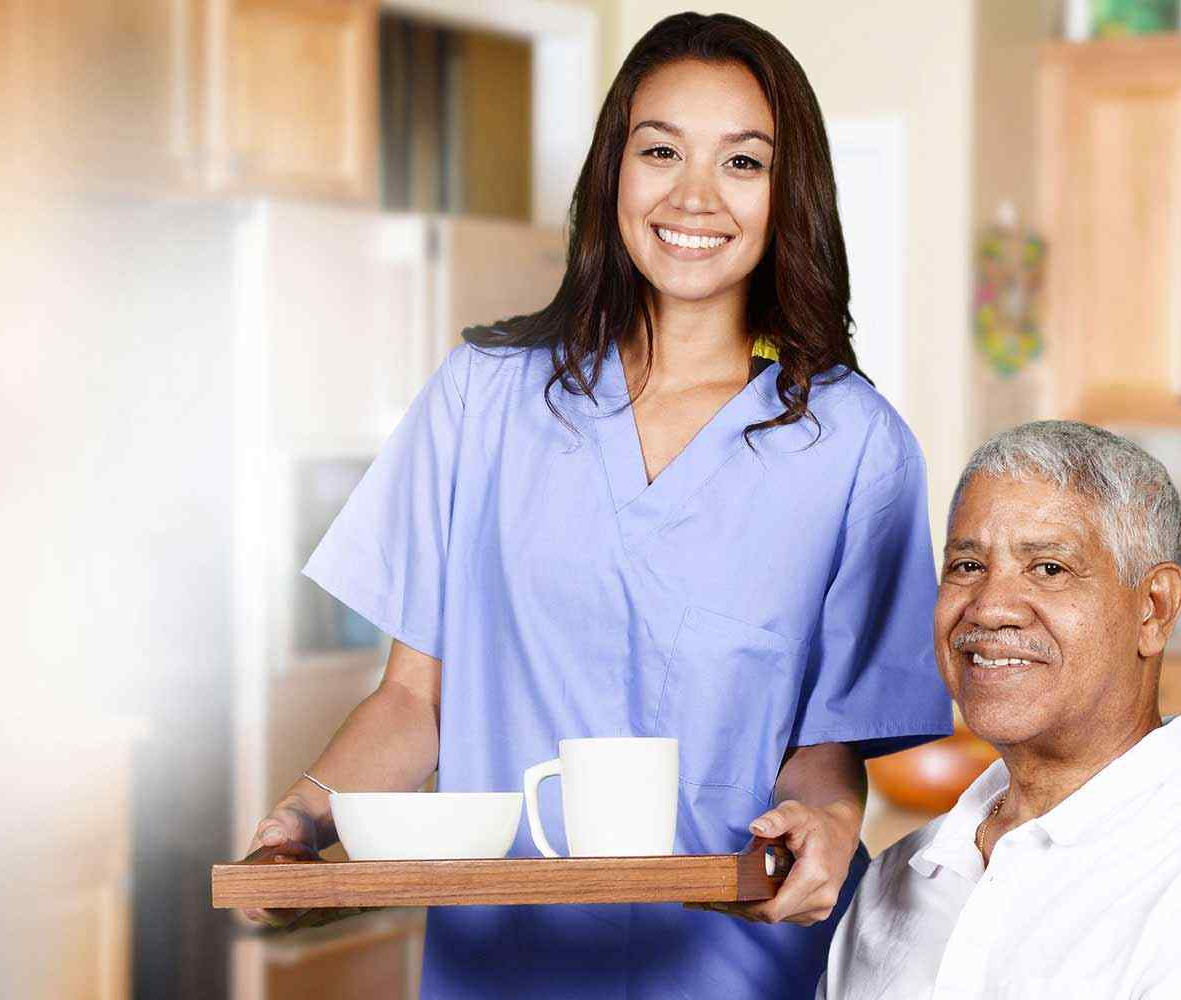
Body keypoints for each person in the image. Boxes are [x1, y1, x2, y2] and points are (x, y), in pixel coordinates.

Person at [245, 12, 954, 996]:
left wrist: (829, 825)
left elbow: (822, 746)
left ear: (787, 193)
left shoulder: (854, 446)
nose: (693, 196)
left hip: (736, 968)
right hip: (503, 967)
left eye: (742, 163)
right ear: (611, 172)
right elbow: (416, 698)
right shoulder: (482, 396)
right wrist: (304, 818)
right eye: (659, 150)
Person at [820, 421, 1181, 999]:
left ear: (1153, 609)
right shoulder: (893, 882)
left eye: (1049, 569)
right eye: (967, 566)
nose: (991, 608)